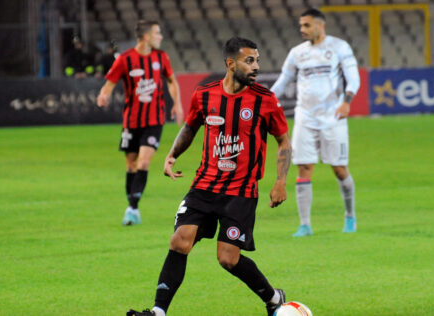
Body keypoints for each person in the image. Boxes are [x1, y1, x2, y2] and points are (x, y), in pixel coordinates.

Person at [126, 37, 291, 316]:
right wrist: (172, 154)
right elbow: (190, 127)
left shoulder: (265, 100)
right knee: (179, 240)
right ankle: (158, 311)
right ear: (230, 63)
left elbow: (283, 141)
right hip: (204, 185)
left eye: (257, 60)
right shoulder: (204, 95)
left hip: (240, 191)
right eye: (249, 60)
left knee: (228, 259)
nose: (256, 66)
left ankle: (274, 297)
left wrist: (280, 181)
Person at [270, 8, 360, 237]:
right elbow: (283, 81)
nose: (302, 30)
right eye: (301, 25)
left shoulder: (339, 47)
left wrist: (347, 101)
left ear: (321, 25)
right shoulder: (297, 53)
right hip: (305, 117)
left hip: (333, 117)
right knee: (304, 167)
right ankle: (305, 224)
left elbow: (353, 78)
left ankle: (350, 216)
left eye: (307, 25)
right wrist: (265, 100)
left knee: (339, 169)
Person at [97, 20, 184, 225]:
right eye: (157, 33)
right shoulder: (125, 59)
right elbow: (109, 83)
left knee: (144, 162)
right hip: (131, 120)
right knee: (131, 164)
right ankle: (132, 206)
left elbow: (171, 81)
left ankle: (133, 209)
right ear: (146, 36)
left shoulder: (161, 57)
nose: (160, 37)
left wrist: (177, 104)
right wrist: (103, 95)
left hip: (154, 119)